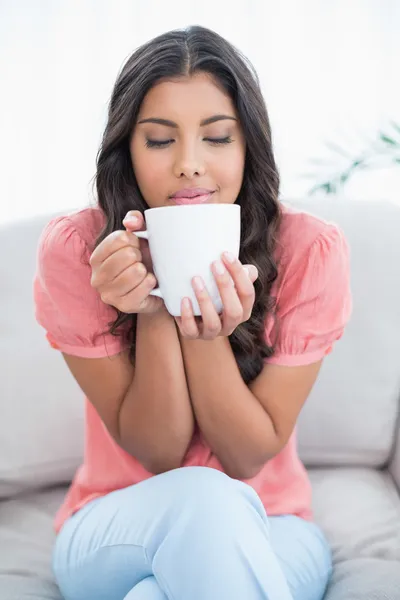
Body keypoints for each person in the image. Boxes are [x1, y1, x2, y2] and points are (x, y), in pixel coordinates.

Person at [33, 25, 352, 600]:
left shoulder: (308, 251)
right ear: (126, 150)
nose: (189, 164)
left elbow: (248, 454)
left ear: (248, 144)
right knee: (205, 495)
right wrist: (154, 309)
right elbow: (157, 452)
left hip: (273, 520)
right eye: (159, 141)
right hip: (117, 519)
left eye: (217, 138)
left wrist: (205, 332)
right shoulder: (78, 250)